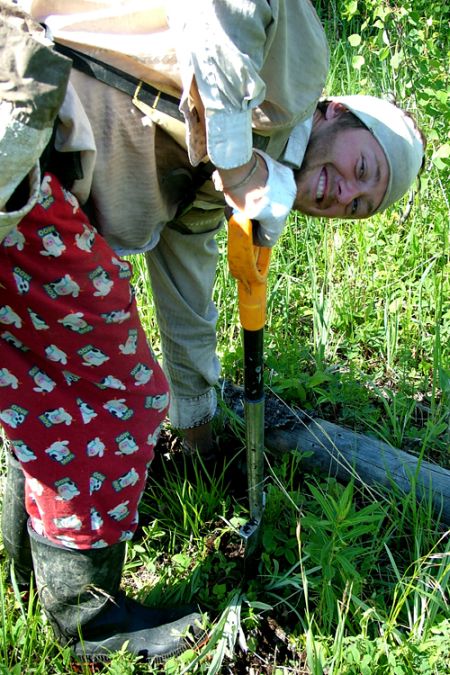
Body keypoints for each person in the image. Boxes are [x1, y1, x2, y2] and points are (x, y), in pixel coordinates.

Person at [1, 0, 425, 664]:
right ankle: (88, 623)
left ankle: (26, 584)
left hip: (31, 183)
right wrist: (235, 160)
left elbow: (187, 291)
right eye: (361, 169)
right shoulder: (294, 72)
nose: (343, 195)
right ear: (335, 112)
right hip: (20, 102)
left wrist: (196, 418)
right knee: (112, 392)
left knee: (52, 376)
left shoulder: (217, 195)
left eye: (358, 206)